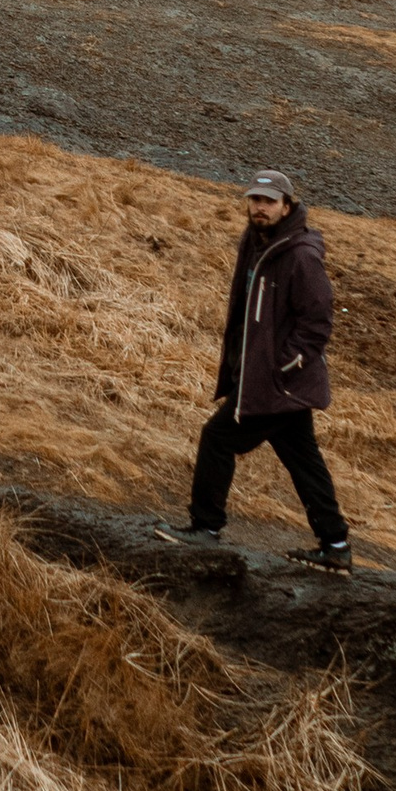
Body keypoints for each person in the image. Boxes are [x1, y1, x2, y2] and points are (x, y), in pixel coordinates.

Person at [159, 170, 352, 573]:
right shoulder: (256, 241)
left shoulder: (299, 255)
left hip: (278, 382)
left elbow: (317, 322)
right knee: (304, 460)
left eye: (269, 201)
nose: (260, 207)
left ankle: (205, 528)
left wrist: (282, 366)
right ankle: (335, 545)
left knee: (217, 438)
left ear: (287, 205)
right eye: (255, 200)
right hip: (272, 381)